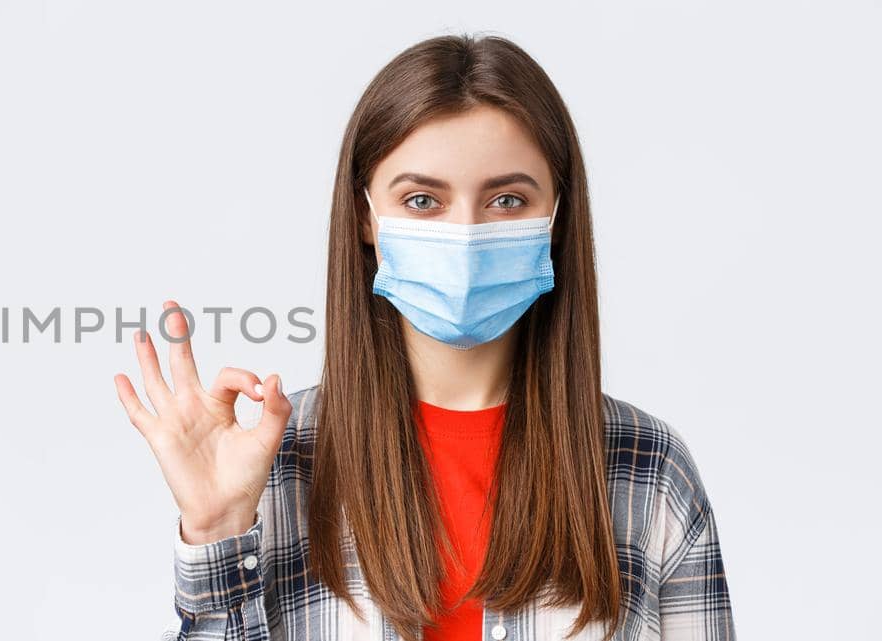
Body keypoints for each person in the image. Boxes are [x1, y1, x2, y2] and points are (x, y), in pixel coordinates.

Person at [112, 34, 735, 641]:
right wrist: (218, 527)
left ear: (557, 215)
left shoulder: (648, 470)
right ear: (365, 216)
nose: (465, 233)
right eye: (422, 200)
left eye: (507, 200)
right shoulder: (275, 464)